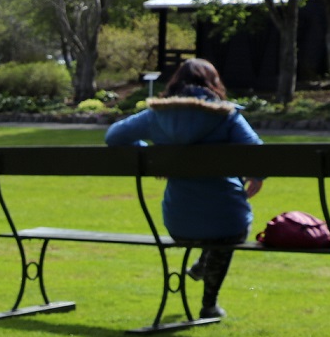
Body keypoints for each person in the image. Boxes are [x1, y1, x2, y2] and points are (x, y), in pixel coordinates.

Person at [103, 58, 263, 319]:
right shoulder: (226, 114)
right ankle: (209, 304)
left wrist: (154, 160)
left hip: (179, 223)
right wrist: (258, 174)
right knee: (234, 229)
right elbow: (255, 151)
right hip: (226, 220)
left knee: (220, 232)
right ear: (213, 84)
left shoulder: (157, 115)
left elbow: (114, 137)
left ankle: (203, 264)